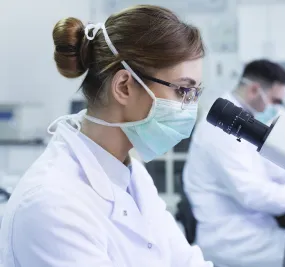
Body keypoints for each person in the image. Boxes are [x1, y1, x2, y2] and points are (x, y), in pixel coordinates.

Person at [0, 5, 213, 267]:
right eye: (182, 91)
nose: (190, 107)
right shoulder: (52, 203)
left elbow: (186, 261)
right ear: (124, 86)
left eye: (194, 93)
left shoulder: (131, 175)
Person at [183, 59, 285, 267]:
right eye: (275, 100)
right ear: (255, 90)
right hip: (234, 240)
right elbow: (253, 194)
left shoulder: (242, 120)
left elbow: (268, 169)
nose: (276, 108)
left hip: (252, 228)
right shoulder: (221, 129)